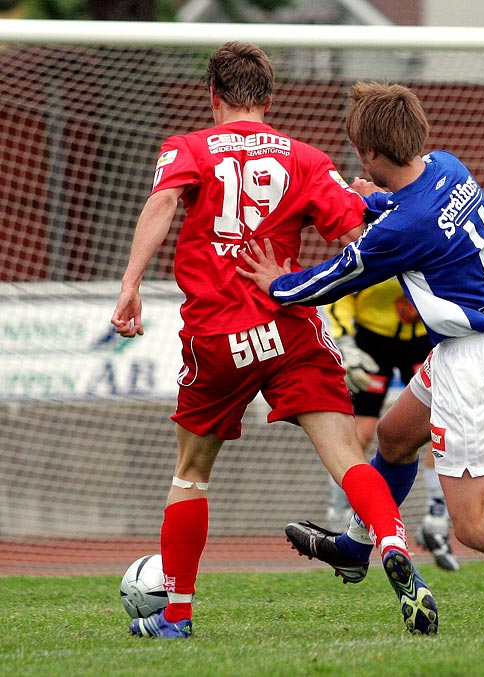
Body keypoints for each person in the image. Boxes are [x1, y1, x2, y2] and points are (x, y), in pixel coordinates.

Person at [239, 81, 484, 629]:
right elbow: (409, 206)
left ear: (370, 153)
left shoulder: (405, 228)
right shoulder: (445, 166)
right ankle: (360, 546)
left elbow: (334, 280)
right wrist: (371, 199)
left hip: (477, 361)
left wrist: (276, 285)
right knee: (394, 436)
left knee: (474, 522)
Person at [111, 46, 438, 638]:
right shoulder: (308, 160)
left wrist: (131, 285)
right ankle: (392, 541)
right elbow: (357, 238)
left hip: (218, 335)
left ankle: (176, 617)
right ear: (269, 98)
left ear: (213, 95)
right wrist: (364, 199)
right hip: (291, 329)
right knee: (348, 459)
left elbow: (161, 203)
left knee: (191, 473)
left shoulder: (186, 149)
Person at [323, 281, 460, 571]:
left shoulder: (432, 245)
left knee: (441, 427)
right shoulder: (377, 243)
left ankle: (436, 522)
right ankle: (340, 513)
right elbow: (343, 288)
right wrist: (345, 341)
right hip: (375, 342)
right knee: (359, 434)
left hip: (424, 339)